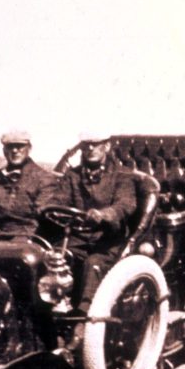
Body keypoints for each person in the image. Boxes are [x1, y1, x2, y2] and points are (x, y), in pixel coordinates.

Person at [38, 130, 136, 314]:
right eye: (86, 145)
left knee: (93, 264)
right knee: (53, 259)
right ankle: (48, 308)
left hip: (108, 240)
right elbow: (60, 200)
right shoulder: (73, 176)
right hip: (77, 238)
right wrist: (48, 207)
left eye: (95, 144)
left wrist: (104, 214)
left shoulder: (123, 175)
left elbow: (125, 205)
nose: (90, 148)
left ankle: (85, 317)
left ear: (106, 146)